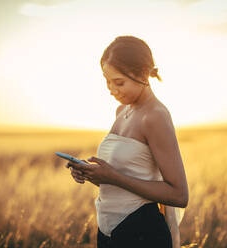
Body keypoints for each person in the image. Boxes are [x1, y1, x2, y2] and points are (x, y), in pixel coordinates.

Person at [66, 35, 188, 248]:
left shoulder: (156, 116)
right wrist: (92, 174)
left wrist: (113, 177)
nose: (111, 88)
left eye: (118, 82)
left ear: (142, 73)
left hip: (141, 231)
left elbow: (179, 195)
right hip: (108, 229)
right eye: (106, 80)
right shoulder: (121, 111)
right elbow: (125, 178)